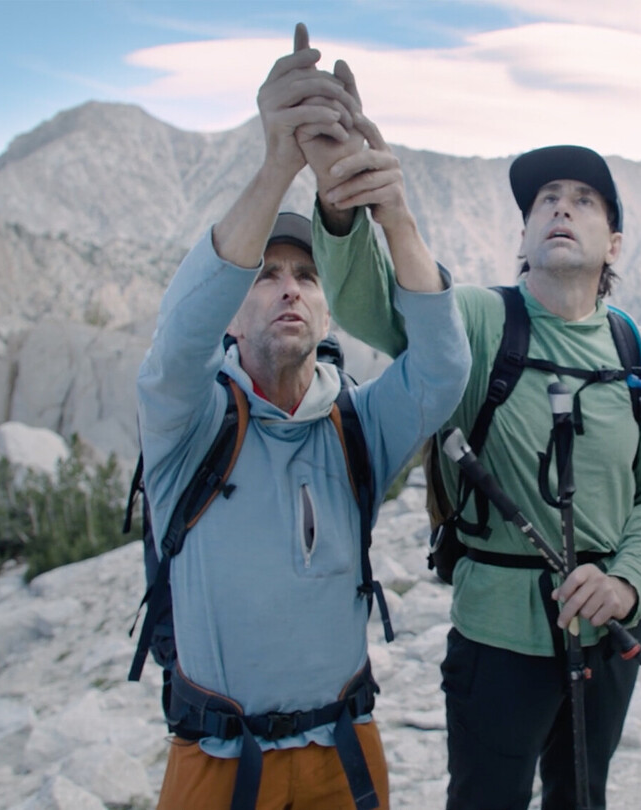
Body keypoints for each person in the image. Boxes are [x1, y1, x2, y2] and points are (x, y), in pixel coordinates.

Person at [135, 25, 469, 810]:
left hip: (342, 751)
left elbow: (443, 369)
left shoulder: (357, 428)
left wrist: (396, 218)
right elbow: (176, 342)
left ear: (326, 314)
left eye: (306, 277)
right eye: (264, 276)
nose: (288, 287)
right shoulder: (186, 423)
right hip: (218, 763)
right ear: (231, 309)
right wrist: (280, 160)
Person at [313, 144, 641, 809]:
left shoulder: (640, 351)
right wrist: (345, 211)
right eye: (545, 200)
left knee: (582, 796)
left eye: (583, 200)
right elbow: (371, 305)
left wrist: (629, 581)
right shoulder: (479, 319)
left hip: (608, 628)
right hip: (497, 635)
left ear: (615, 243)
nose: (561, 209)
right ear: (524, 233)